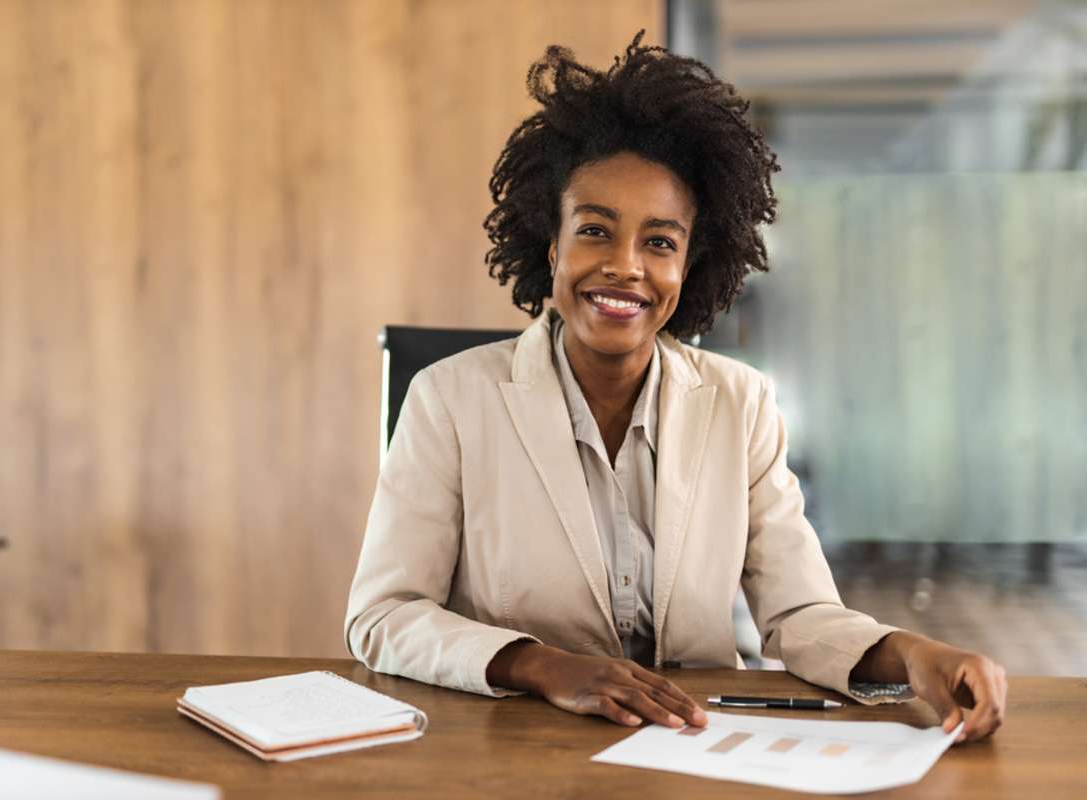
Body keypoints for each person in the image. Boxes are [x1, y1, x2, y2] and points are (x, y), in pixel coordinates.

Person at [345, 32, 1006, 743]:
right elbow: (384, 616)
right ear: (552, 246)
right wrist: (543, 666)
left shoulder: (740, 403)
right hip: (514, 745)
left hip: (698, 743)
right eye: (595, 231)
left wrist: (914, 654)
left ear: (689, 266)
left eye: (659, 242)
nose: (625, 266)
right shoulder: (450, 400)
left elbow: (800, 617)